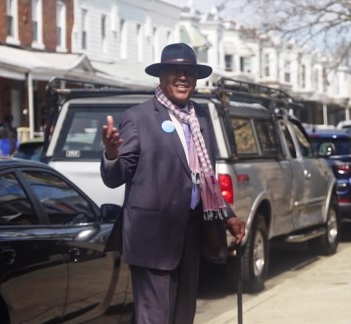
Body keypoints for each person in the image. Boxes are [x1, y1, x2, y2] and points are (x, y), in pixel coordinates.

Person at [100, 43, 245, 324]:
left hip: (190, 233)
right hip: (152, 237)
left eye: (188, 71)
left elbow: (206, 178)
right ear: (161, 77)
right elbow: (115, 177)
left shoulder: (200, 116)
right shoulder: (139, 117)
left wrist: (227, 215)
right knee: (155, 318)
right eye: (175, 71)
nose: (183, 77)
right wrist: (111, 153)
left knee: (183, 317)